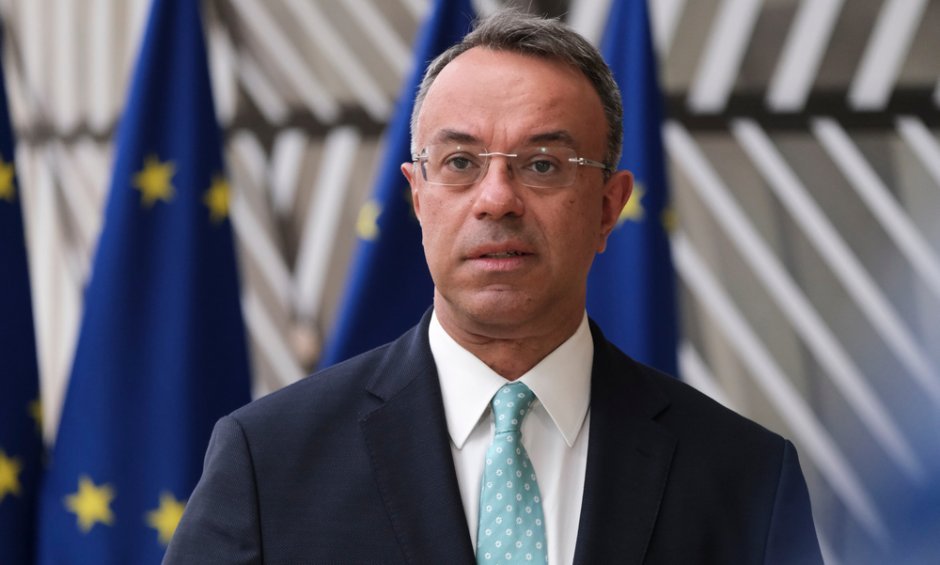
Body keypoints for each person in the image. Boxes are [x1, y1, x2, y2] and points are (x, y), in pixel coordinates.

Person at [165, 9, 822, 564]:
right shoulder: (269, 461)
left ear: (607, 208)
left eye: (543, 164)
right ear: (417, 197)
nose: (497, 199)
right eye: (460, 162)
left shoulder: (748, 478)